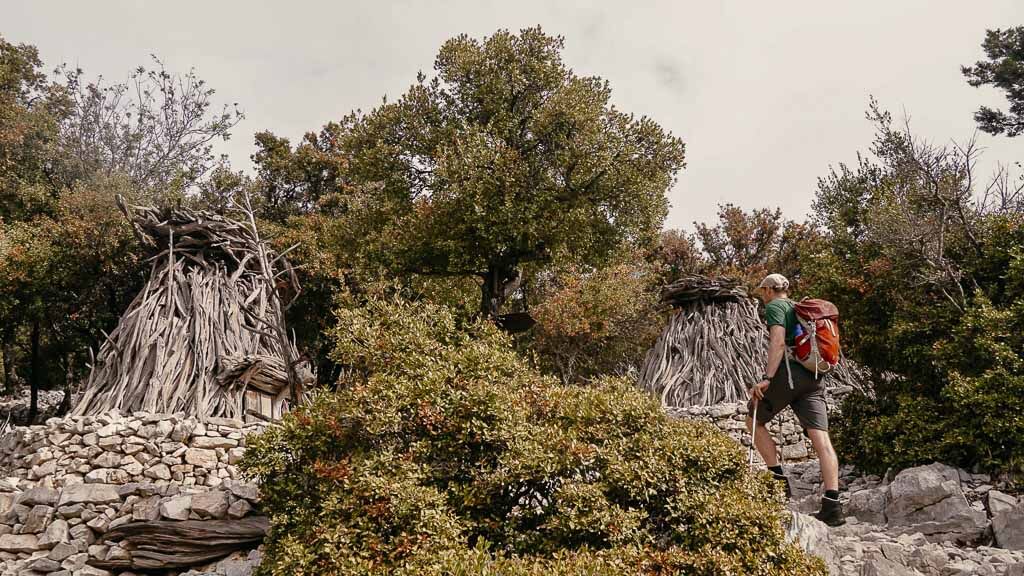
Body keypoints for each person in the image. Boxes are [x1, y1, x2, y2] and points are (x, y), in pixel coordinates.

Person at [746, 273, 844, 526]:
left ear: (768, 290)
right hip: (814, 376)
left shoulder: (776, 307)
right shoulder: (799, 307)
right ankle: (833, 505)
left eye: (762, 293)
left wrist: (767, 378)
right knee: (822, 439)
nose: (763, 297)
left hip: (790, 375)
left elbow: (778, 343)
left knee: (753, 418)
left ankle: (777, 481)